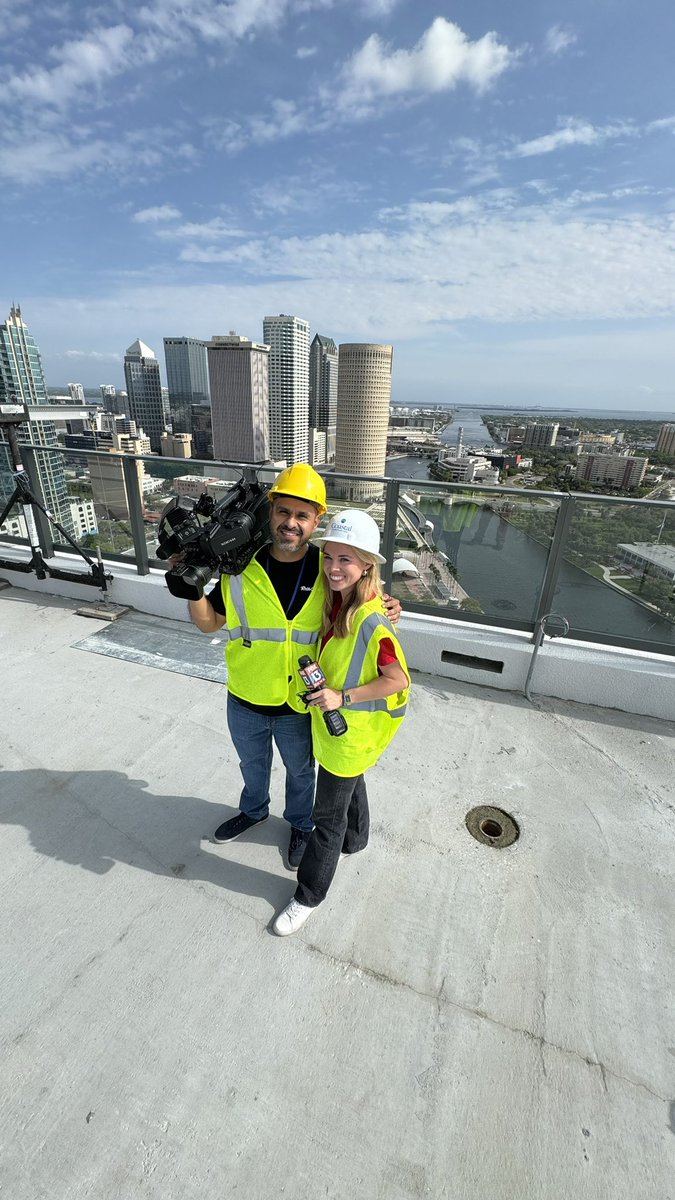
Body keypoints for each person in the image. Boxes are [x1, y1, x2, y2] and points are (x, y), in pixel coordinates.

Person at [187, 466, 401, 870]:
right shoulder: (240, 566)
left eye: (302, 516)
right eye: (284, 512)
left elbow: (365, 595)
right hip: (246, 694)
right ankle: (253, 811)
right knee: (252, 765)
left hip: (298, 704)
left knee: (301, 773)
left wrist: (390, 604)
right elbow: (209, 623)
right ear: (271, 513)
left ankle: (300, 824)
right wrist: (192, 588)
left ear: (316, 521)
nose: (291, 523)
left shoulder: (328, 569)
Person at [273, 509, 410, 935]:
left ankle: (307, 896)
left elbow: (398, 679)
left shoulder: (371, 620)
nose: (333, 568)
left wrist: (341, 696)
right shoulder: (340, 599)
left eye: (345, 560)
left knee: (326, 820)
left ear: (366, 564)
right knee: (351, 784)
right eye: (329, 557)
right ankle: (358, 840)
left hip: (348, 732)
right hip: (347, 734)